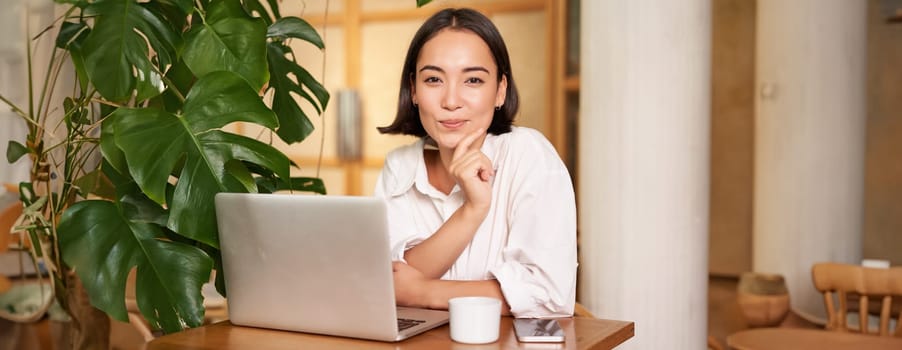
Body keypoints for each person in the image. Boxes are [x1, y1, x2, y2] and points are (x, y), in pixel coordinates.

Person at [375, 8, 576, 318]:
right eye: (433, 79)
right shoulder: (399, 166)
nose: (452, 101)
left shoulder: (529, 154)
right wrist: (472, 211)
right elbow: (391, 281)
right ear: (414, 90)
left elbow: (549, 295)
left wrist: (425, 292)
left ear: (500, 91)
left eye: (472, 80)